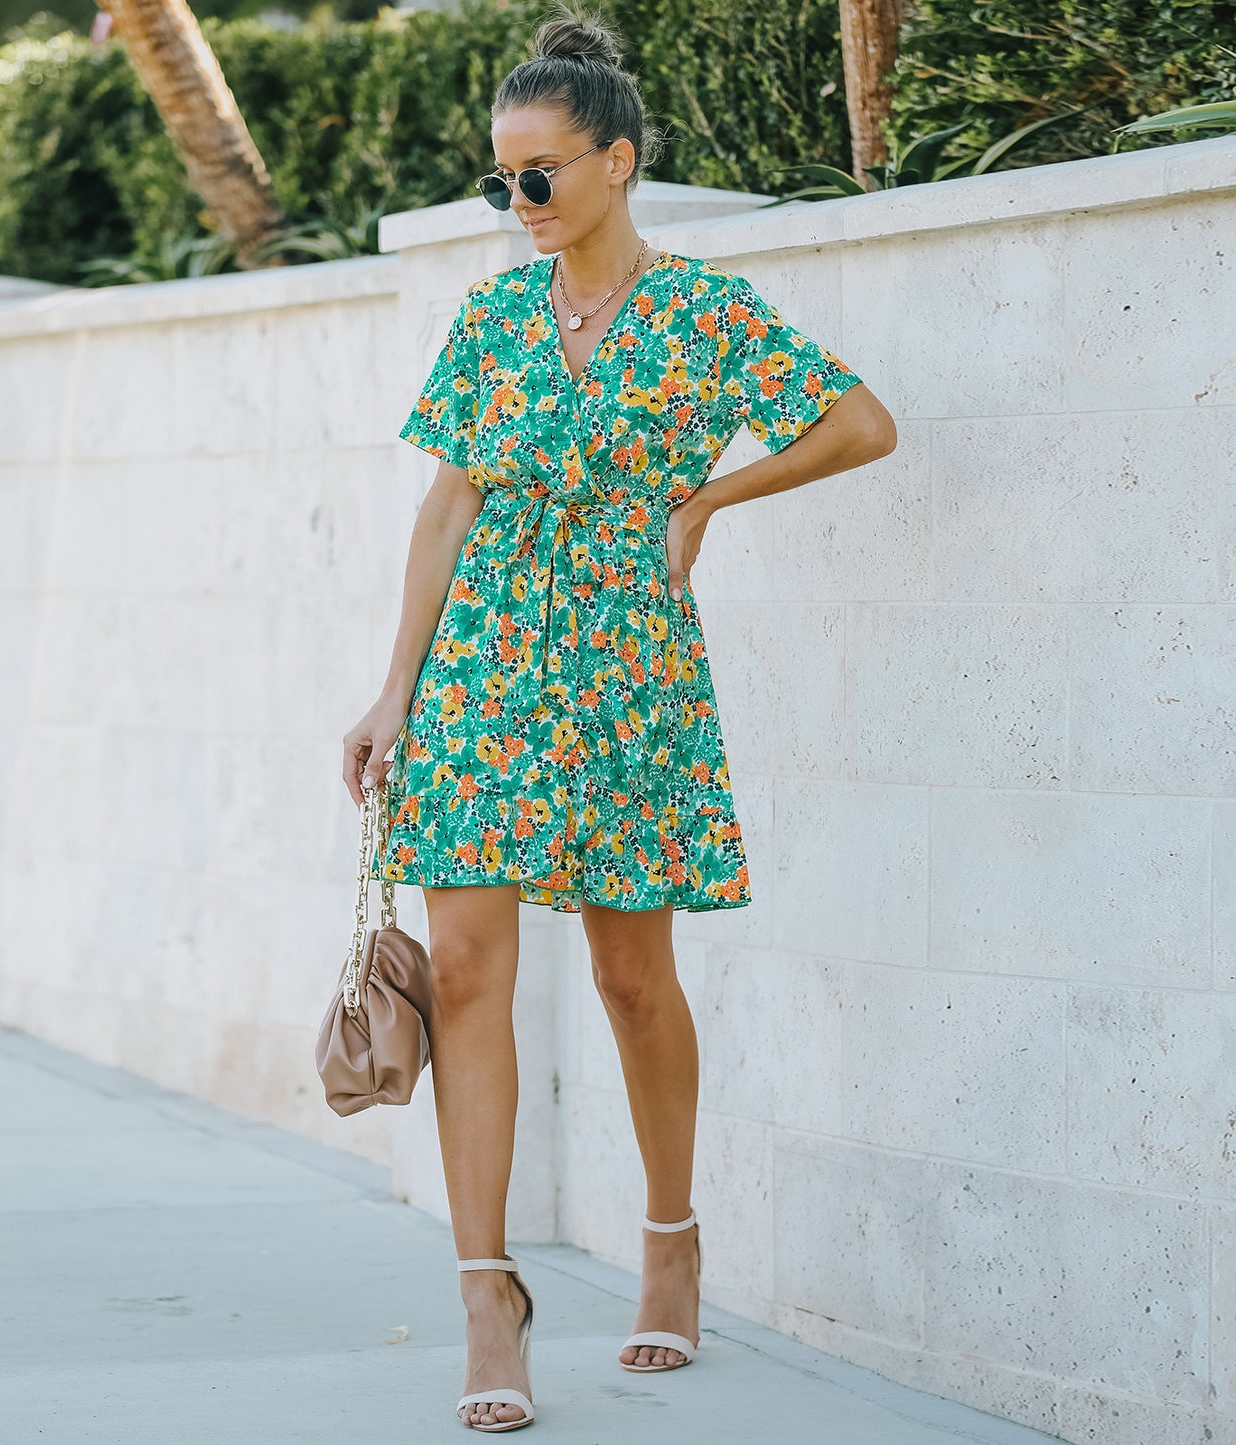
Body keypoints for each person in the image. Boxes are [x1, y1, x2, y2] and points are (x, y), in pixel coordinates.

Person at [341, 3, 897, 1432]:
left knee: (631, 979)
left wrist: (708, 495)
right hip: (480, 671)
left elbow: (856, 423)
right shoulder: (491, 317)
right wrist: (391, 688)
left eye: (538, 176)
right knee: (464, 969)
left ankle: (669, 1241)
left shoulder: (704, 314)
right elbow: (446, 500)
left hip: (628, 674)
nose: (516, 202)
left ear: (617, 163)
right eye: (498, 181)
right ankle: (488, 1293)